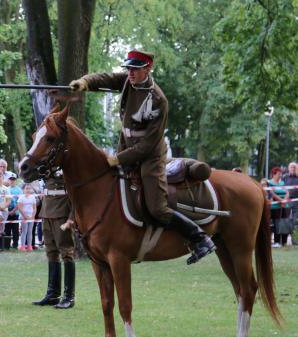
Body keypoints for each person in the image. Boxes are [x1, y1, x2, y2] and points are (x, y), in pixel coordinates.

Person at [70, 49, 215, 265]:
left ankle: (199, 237)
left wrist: (119, 159)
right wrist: (84, 82)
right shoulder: (129, 82)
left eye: (135, 69)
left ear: (147, 69)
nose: (130, 72)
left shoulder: (158, 99)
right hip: (126, 150)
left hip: (150, 158)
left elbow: (148, 144)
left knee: (157, 208)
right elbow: (106, 78)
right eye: (128, 68)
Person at [32, 170, 76, 309]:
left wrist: (72, 218)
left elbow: (77, 197)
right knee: (51, 253)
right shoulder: (47, 168)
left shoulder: (68, 167)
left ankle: (69, 296)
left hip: (62, 213)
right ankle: (53, 294)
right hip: (47, 212)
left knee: (66, 253)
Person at [268, 167, 291, 247]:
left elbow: (287, 192)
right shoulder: (269, 182)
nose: (280, 175)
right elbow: (272, 193)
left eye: (281, 173)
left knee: (285, 223)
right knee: (276, 224)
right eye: (278, 174)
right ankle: (277, 242)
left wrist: (284, 200)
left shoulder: (282, 183)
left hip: (285, 206)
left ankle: (284, 242)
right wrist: (281, 200)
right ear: (274, 174)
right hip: (275, 207)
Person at [4, 173, 23, 248]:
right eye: (10, 179)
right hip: (7, 211)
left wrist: (13, 211)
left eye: (13, 179)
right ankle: (7, 244)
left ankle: (15, 244)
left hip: (16, 212)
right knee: (7, 229)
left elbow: (20, 202)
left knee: (15, 229)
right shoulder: (6, 189)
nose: (12, 181)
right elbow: (4, 201)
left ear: (15, 180)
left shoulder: (19, 190)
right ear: (8, 180)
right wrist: (8, 211)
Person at [17, 183, 37, 251]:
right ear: (23, 189)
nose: (28, 190)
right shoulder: (21, 197)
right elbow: (19, 207)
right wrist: (25, 216)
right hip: (23, 217)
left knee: (30, 231)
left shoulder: (33, 197)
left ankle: (29, 246)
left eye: (29, 188)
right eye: (26, 188)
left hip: (31, 217)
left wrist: (33, 216)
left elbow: (34, 208)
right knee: (24, 231)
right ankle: (22, 246)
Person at [282, 162, 298, 245]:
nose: (293, 169)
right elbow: (281, 187)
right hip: (287, 201)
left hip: (297, 202)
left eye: (295, 167)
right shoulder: (285, 177)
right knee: (286, 221)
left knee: (296, 222)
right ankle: (283, 241)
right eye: (291, 167)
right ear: (289, 168)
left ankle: (295, 242)